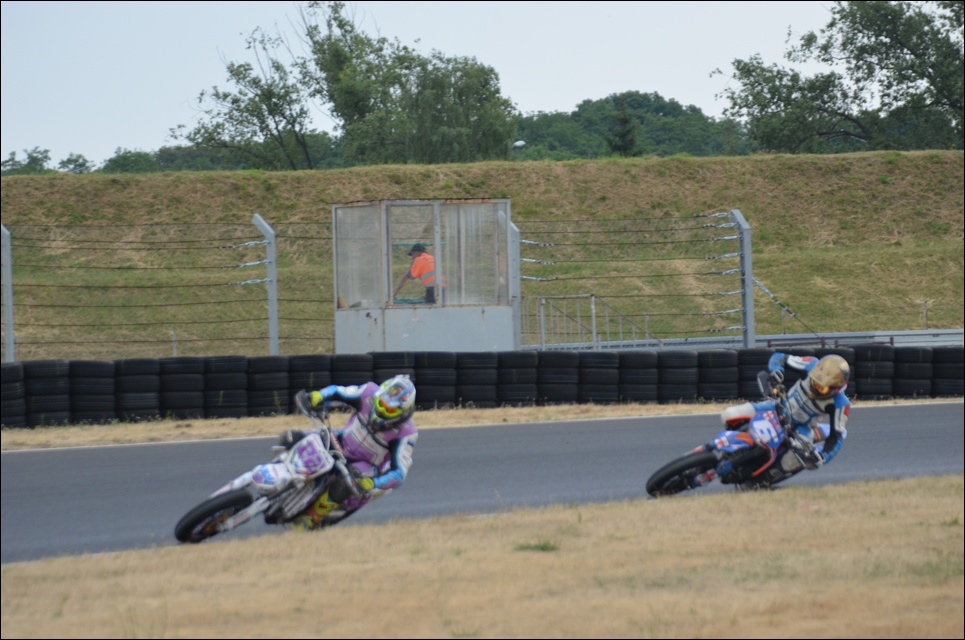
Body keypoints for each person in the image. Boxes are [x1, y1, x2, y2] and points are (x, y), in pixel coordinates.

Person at [279, 374, 418, 530]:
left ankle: (312, 516)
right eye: (382, 404)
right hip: (341, 441)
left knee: (346, 484)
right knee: (292, 437)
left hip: (365, 465)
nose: (383, 410)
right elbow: (338, 391)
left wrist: (373, 483)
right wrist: (319, 396)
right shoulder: (368, 392)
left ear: (402, 412)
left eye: (389, 409)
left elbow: (399, 473)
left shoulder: (407, 433)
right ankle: (280, 472)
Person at [720, 353, 851, 487]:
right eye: (814, 381)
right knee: (729, 414)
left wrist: (823, 457)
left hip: (801, 428)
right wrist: (777, 371)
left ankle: (764, 479)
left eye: (821, 387)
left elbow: (837, 437)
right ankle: (731, 443)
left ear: (836, 389)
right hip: (778, 407)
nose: (815, 388)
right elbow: (779, 358)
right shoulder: (810, 365)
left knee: (797, 458)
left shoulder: (841, 404)